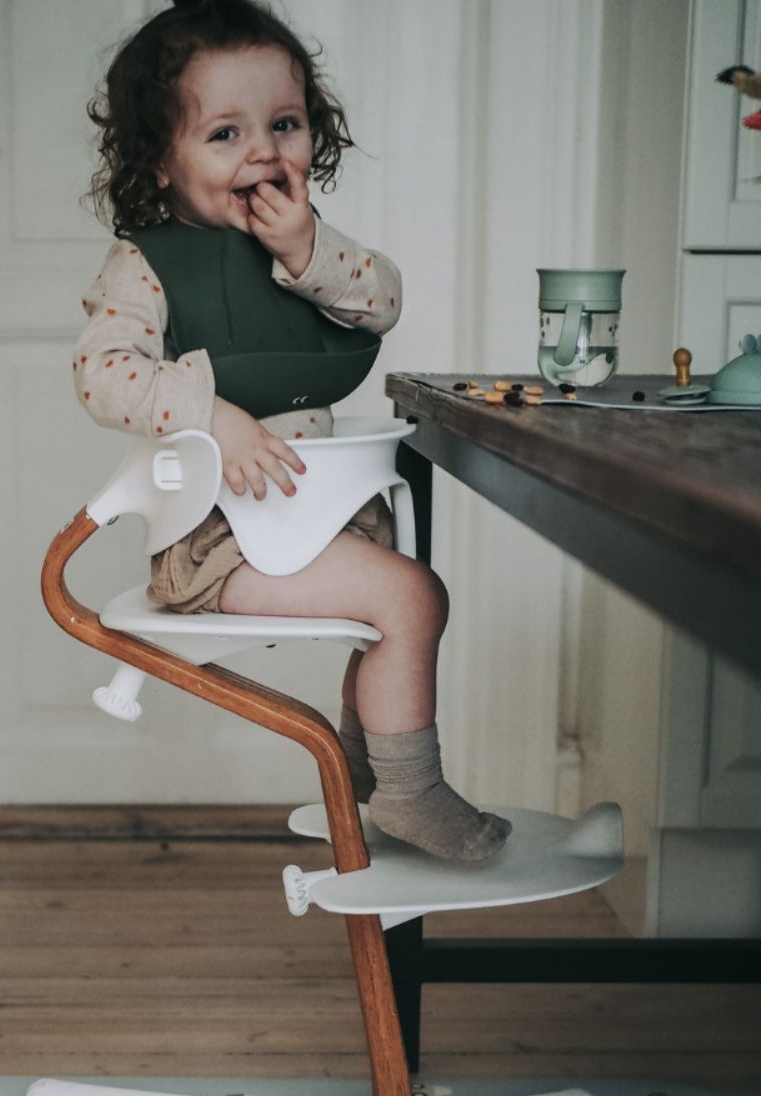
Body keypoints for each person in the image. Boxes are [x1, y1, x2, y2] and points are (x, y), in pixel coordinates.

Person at [74, 0, 509, 863]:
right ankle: (411, 794)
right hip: (216, 543)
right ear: (162, 161)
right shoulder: (145, 265)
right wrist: (212, 414)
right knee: (412, 599)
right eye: (225, 134)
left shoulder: (302, 244)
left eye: (284, 124)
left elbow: (381, 300)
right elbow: (102, 373)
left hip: (310, 522)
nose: (265, 153)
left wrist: (308, 248)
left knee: (397, 608)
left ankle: (367, 780)